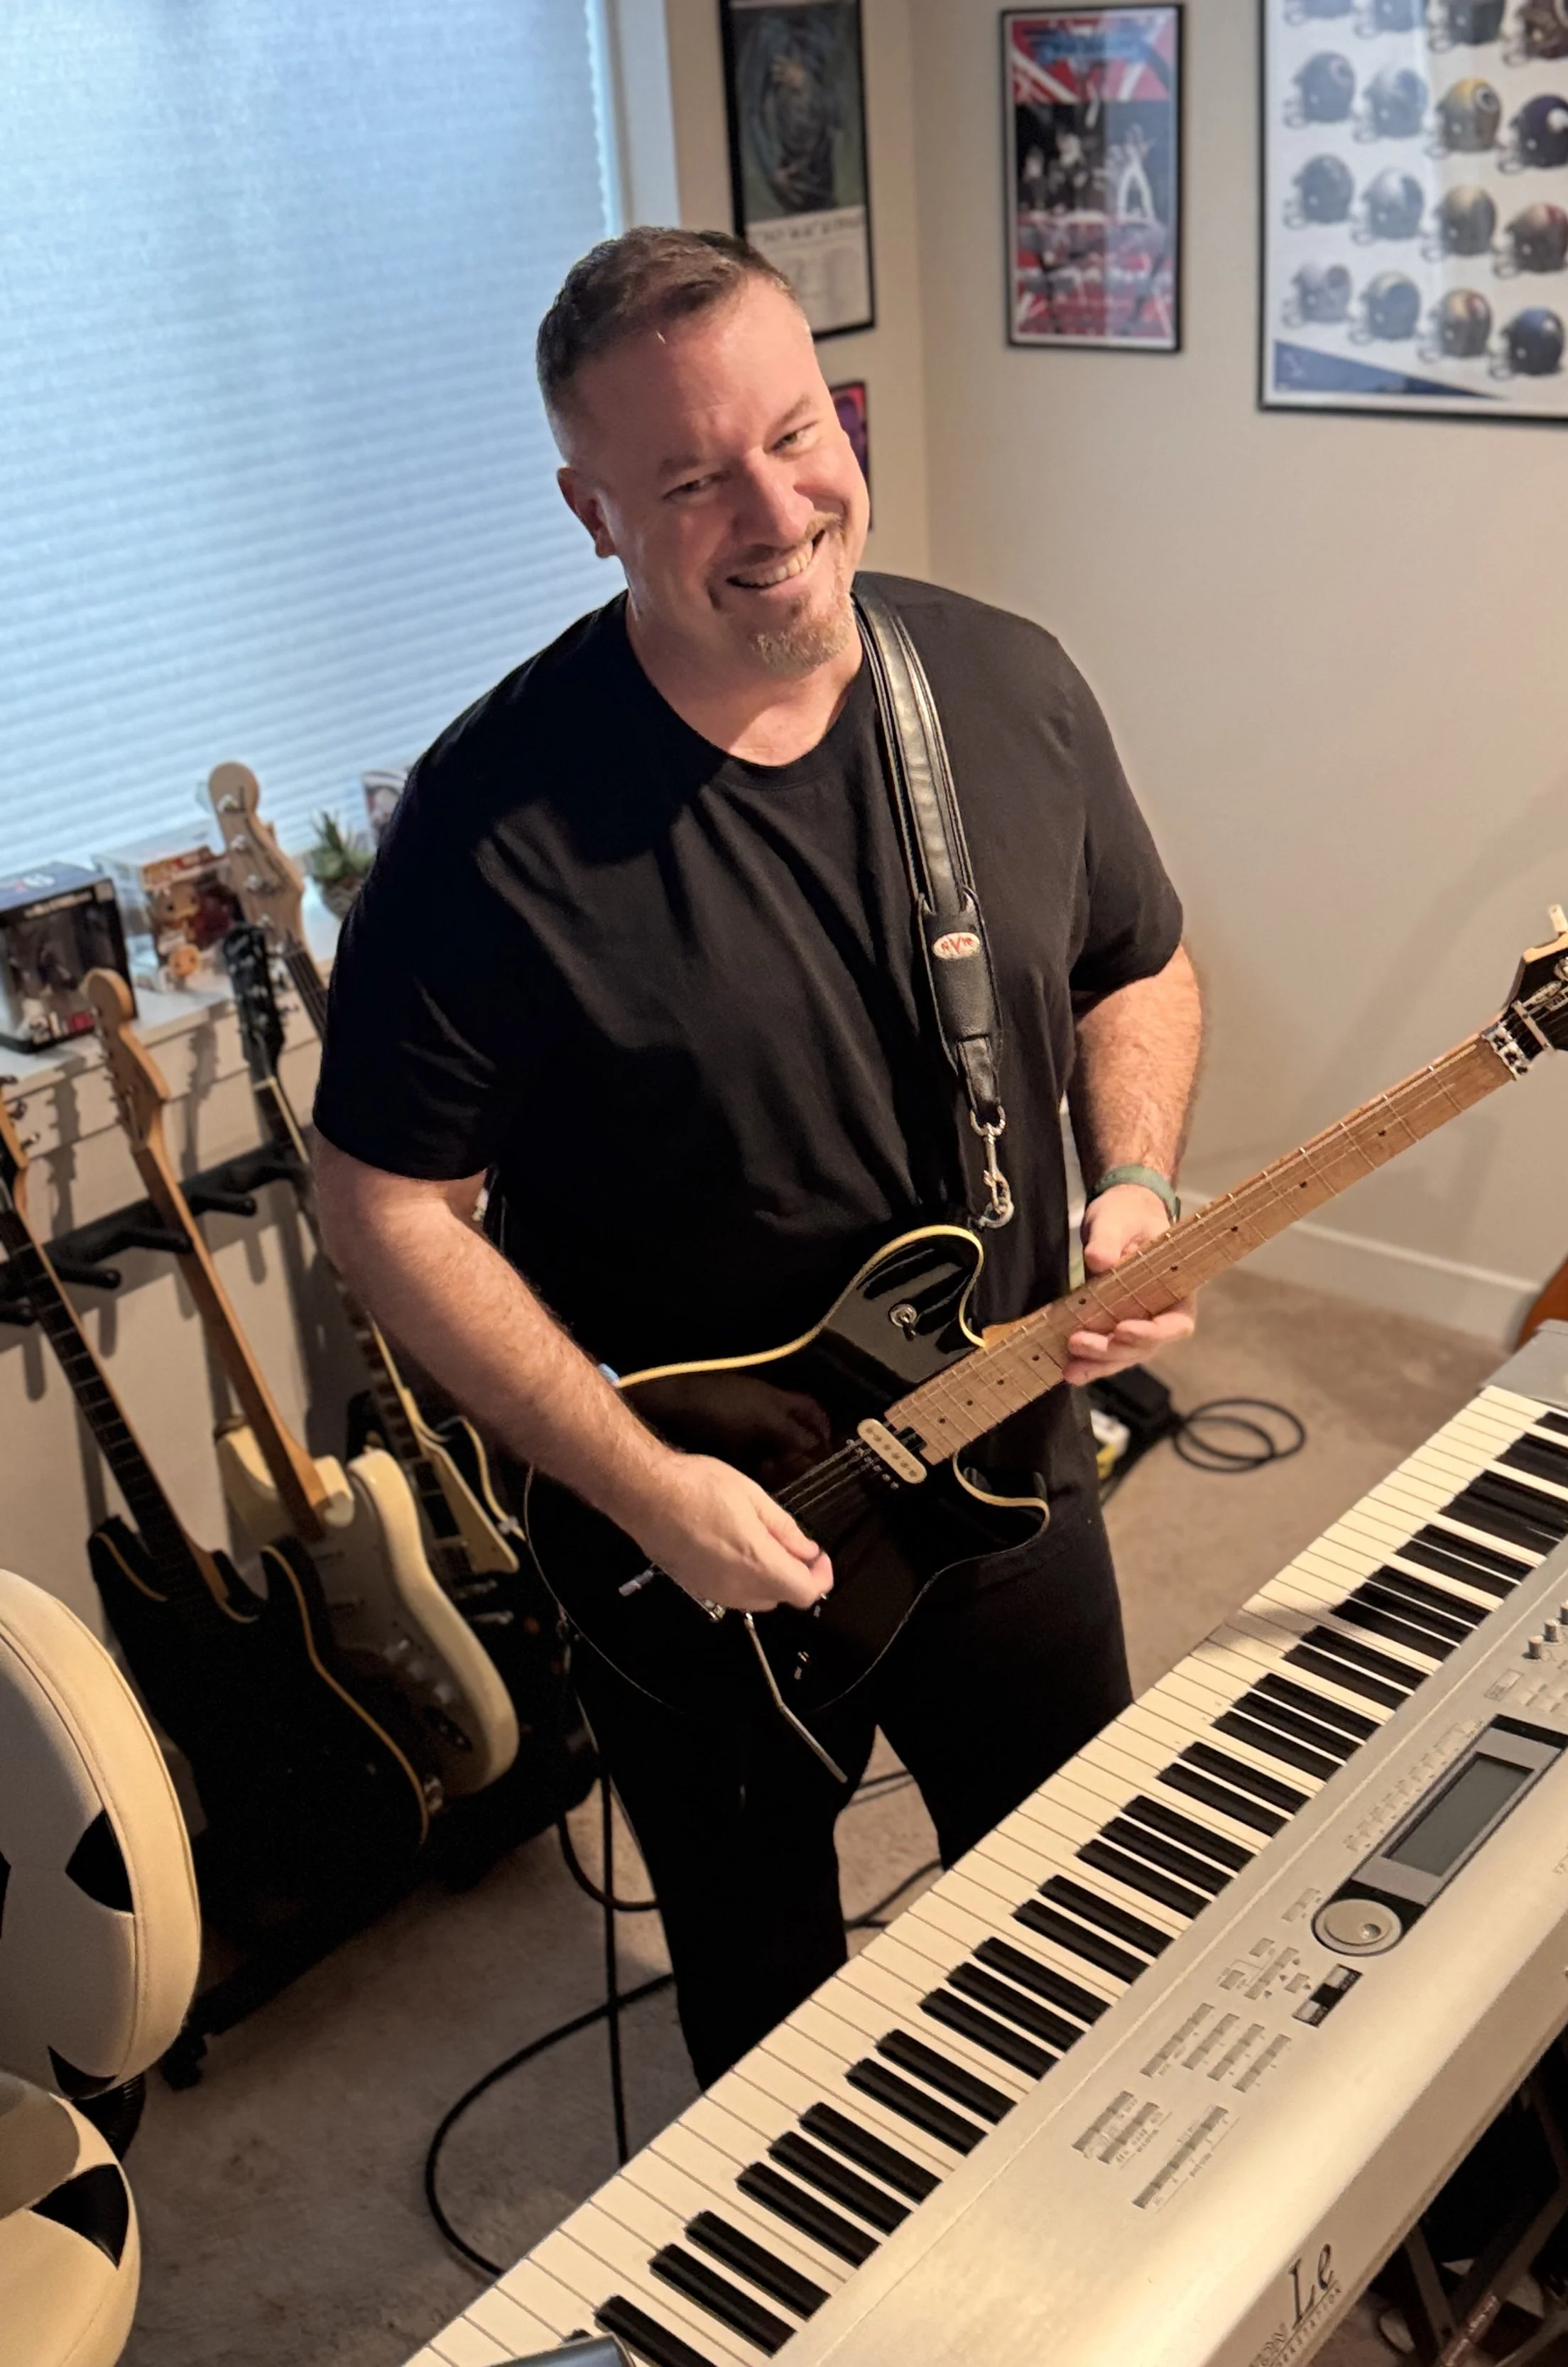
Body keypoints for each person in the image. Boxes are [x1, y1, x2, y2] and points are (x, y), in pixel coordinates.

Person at [311, 227, 1202, 2086]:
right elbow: (385, 1207)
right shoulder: (490, 825)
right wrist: (640, 1485)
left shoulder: (1009, 686)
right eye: (692, 479)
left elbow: (1137, 963)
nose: (778, 511)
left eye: (797, 435)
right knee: (769, 2015)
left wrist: (1131, 1184)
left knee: (1090, 1924)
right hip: (695, 1534)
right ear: (592, 512)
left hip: (1010, 1461)